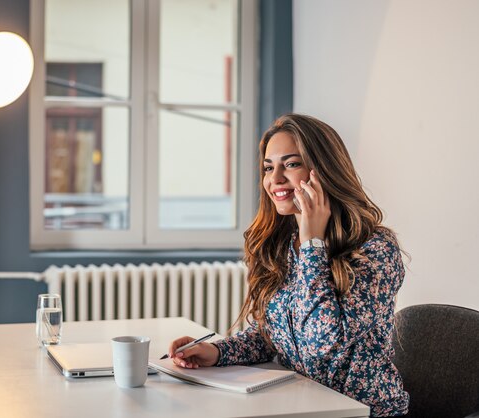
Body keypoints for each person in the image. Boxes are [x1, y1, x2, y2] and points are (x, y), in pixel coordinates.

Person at [168, 114, 409, 417]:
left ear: (324, 171)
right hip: (300, 404)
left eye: (291, 164)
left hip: (362, 412)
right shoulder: (284, 243)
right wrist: (217, 352)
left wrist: (312, 243)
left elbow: (320, 343)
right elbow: (273, 336)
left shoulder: (375, 250)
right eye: (269, 167)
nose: (275, 179)